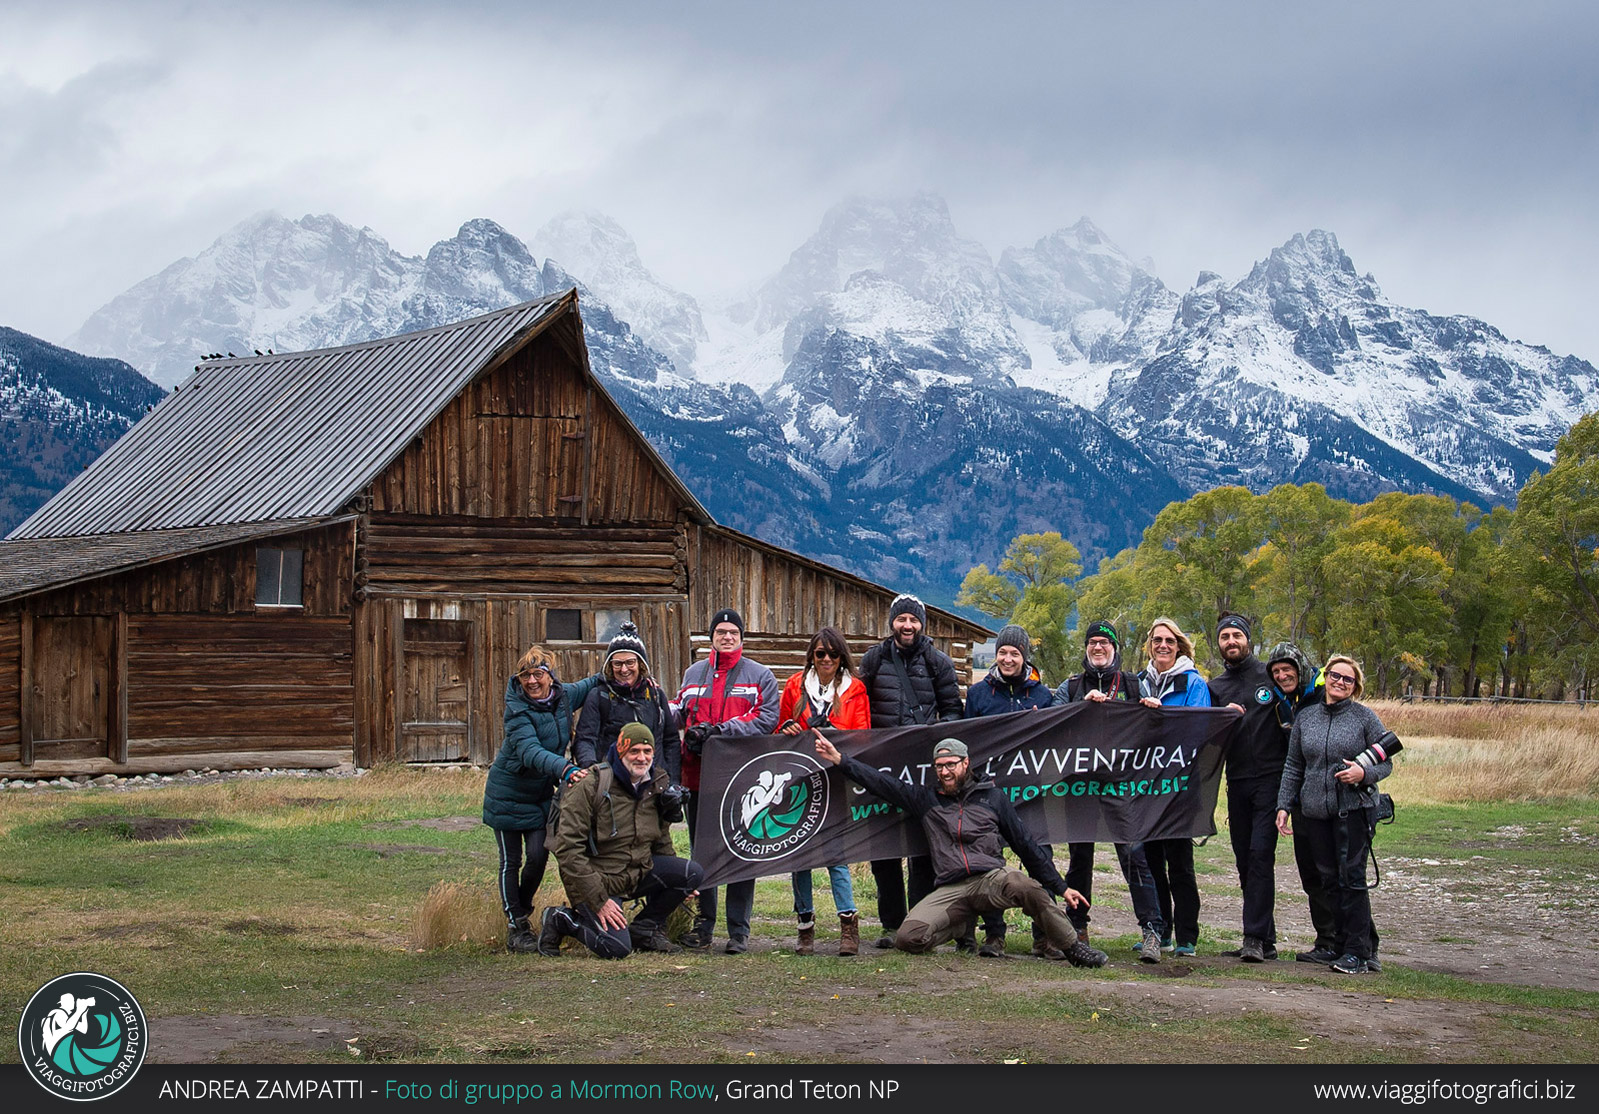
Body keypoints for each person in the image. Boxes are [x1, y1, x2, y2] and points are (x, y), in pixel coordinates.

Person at [812, 733, 1104, 966]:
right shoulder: (926, 800)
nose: (945, 771)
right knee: (908, 938)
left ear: (966, 763)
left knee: (1026, 886)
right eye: (940, 767)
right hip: (952, 888)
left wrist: (1061, 887)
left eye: (951, 764)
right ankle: (957, 926)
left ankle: (1073, 948)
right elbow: (882, 783)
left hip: (992, 879)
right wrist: (840, 759)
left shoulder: (992, 797)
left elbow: (1025, 845)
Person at [540, 723, 705, 958]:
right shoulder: (590, 785)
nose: (641, 758)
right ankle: (562, 919)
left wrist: (676, 884)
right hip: (597, 881)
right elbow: (568, 851)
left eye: (647, 752)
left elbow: (661, 839)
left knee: (691, 873)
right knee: (616, 949)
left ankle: (645, 930)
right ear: (621, 752)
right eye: (634, 751)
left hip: (636, 872)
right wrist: (599, 901)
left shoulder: (657, 783)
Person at [1055, 619, 1167, 964]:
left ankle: (1151, 931)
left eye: (1105, 643)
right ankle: (1076, 930)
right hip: (1080, 786)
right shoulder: (1071, 686)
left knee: (1133, 854)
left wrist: (1151, 712)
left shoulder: (1134, 684)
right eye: (1093, 643)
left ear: (1114, 648)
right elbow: (1048, 725)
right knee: (1080, 860)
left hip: (1121, 785)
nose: (1098, 648)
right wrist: (1079, 708)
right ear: (1086, 648)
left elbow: (1158, 729)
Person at [857, 594, 963, 948]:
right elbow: (859, 706)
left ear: (922, 625)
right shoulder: (874, 659)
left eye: (913, 620)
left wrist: (932, 735)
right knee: (884, 852)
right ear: (892, 623)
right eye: (901, 619)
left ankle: (917, 924)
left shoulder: (939, 662)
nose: (907, 626)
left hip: (922, 769)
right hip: (883, 768)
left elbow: (953, 711)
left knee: (923, 850)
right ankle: (891, 924)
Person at [1275, 655, 1393, 975]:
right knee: (1328, 880)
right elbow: (1294, 765)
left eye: (1348, 679)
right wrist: (1284, 805)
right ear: (1325, 677)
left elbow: (1386, 761)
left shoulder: (1365, 718)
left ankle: (1359, 951)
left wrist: (1362, 773)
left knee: (1351, 879)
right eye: (1335, 676)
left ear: (1355, 686)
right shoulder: (1307, 717)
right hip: (1314, 811)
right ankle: (1340, 946)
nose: (1340, 682)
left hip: (1354, 809)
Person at [674, 607, 780, 953]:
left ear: (741, 637)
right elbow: (678, 711)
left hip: (741, 780)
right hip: (697, 778)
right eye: (720, 632)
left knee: (740, 852)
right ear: (712, 637)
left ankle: (738, 932)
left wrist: (720, 732)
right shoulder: (693, 674)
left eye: (733, 632)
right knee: (702, 853)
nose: (727, 637)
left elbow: (766, 718)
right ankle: (703, 927)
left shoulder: (760, 675)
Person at [482, 646, 599, 952]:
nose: (532, 681)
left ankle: (520, 910)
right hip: (507, 794)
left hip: (538, 797)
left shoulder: (563, 698)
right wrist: (566, 768)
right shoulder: (517, 711)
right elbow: (530, 752)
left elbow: (594, 682)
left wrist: (626, 669)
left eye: (538, 674)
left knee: (538, 856)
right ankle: (516, 925)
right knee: (511, 861)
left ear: (550, 675)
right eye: (525, 675)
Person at [962, 624, 1064, 959]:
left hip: (1031, 794)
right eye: (1003, 652)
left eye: (1014, 653)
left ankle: (1044, 936)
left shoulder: (1042, 696)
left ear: (1024, 657)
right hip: (990, 793)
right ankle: (994, 934)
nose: (1008, 659)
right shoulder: (979, 694)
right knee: (990, 863)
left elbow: (1052, 745)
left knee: (1040, 859)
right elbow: (969, 744)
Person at [778, 627, 870, 956]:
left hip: (836, 781)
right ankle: (805, 927)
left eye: (833, 654)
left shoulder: (854, 690)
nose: (827, 659)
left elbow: (862, 735)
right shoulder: (794, 687)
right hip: (801, 781)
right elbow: (780, 730)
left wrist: (834, 732)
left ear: (842, 657)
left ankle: (848, 926)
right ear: (811, 657)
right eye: (820, 654)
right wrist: (790, 729)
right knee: (799, 855)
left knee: (836, 855)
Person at [1264, 641, 1356, 966]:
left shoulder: (1324, 696)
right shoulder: (1286, 704)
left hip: (1339, 804)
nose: (1282, 675)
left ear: (1300, 666)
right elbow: (1293, 764)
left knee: (1343, 876)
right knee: (1312, 876)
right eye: (1275, 671)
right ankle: (1328, 940)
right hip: (1305, 803)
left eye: (1287, 668)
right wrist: (1284, 804)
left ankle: (1357, 944)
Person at [1208, 614, 1285, 963]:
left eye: (1236, 635)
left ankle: (1253, 936)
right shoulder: (1216, 687)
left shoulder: (1271, 676)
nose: (1231, 641)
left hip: (1271, 779)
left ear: (1248, 640)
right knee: (1244, 860)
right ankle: (1265, 939)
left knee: (1259, 856)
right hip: (1236, 781)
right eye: (1225, 636)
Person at [1137, 617, 1210, 957]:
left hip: (1180, 787)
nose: (1162, 645)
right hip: (1147, 790)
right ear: (1149, 646)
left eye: (1169, 640)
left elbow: (1199, 730)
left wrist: (1161, 713)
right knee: (1152, 863)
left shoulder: (1193, 683)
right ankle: (1160, 932)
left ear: (1179, 645)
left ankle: (1187, 936)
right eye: (1156, 640)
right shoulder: (1139, 683)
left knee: (1180, 863)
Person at [573, 621, 680, 784]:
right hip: (612, 783)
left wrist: (672, 782)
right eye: (617, 663)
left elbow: (670, 741)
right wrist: (593, 773)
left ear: (640, 664)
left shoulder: (655, 696)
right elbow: (586, 739)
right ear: (610, 665)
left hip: (653, 782)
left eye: (630, 662)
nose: (624, 669)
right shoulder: (599, 696)